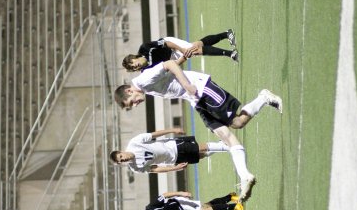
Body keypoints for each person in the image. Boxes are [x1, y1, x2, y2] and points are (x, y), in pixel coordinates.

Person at [114, 60, 282, 200]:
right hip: (196, 100)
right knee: (229, 131)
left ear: (129, 91)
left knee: (236, 123)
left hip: (201, 88)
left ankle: (263, 97)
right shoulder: (145, 87)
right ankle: (245, 176)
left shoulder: (142, 81)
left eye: (132, 102)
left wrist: (187, 85)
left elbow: (170, 64)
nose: (136, 104)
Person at [110, 127, 229, 174]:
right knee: (201, 155)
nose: (123, 159)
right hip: (173, 159)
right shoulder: (135, 167)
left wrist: (172, 130)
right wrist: (174, 168)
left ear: (121, 151)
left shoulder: (134, 143)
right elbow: (155, 169)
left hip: (173, 145)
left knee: (201, 147)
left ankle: (229, 147)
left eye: (120, 156)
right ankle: (220, 145)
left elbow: (153, 135)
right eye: (121, 161)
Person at [121, 30, 238, 71]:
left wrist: (181, 49)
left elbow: (166, 43)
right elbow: (170, 66)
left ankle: (230, 54)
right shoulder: (147, 70)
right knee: (197, 45)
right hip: (171, 59)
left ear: (133, 58)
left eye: (133, 64)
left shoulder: (145, 48)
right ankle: (226, 34)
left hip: (170, 45)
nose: (136, 67)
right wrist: (183, 58)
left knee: (192, 50)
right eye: (133, 68)